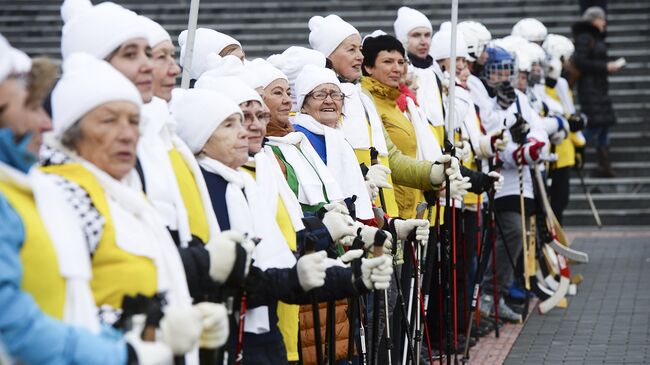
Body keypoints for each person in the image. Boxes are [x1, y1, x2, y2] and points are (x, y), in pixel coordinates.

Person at [172, 87, 394, 364]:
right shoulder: (200, 190)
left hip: (265, 333)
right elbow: (245, 278)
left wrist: (351, 277)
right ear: (200, 137)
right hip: (222, 342)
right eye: (231, 124)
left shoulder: (241, 187)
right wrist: (323, 246)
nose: (246, 131)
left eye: (253, 119)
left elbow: (276, 271)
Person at [0, 34, 174, 365]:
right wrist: (122, 351)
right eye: (31, 106)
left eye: (134, 122)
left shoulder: (38, 188)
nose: (46, 123)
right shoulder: (63, 190)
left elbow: (70, 304)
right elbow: (16, 325)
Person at [543, 34, 587, 223]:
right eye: (566, 58)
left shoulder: (561, 83)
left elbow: (570, 114)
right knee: (553, 203)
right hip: (552, 153)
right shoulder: (546, 85)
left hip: (565, 152)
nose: (568, 62)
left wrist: (579, 145)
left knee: (560, 201)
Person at [572, 6, 619, 177]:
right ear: (593, 20)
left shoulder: (594, 37)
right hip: (590, 88)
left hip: (598, 87)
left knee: (604, 124)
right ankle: (573, 149)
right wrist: (605, 67)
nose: (604, 22)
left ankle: (604, 164)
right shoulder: (586, 37)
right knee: (594, 124)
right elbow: (581, 61)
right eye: (601, 19)